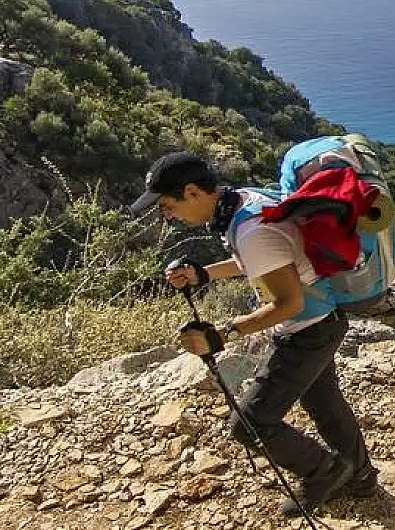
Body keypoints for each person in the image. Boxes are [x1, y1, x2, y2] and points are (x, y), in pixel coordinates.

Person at [130, 152, 375, 517]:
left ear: (193, 192)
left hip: (308, 329)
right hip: (325, 319)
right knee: (324, 404)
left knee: (250, 423)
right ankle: (362, 479)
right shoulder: (244, 202)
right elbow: (263, 259)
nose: (168, 216)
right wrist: (205, 274)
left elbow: (288, 302)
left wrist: (222, 334)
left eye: (168, 205)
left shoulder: (251, 229)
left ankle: (326, 471)